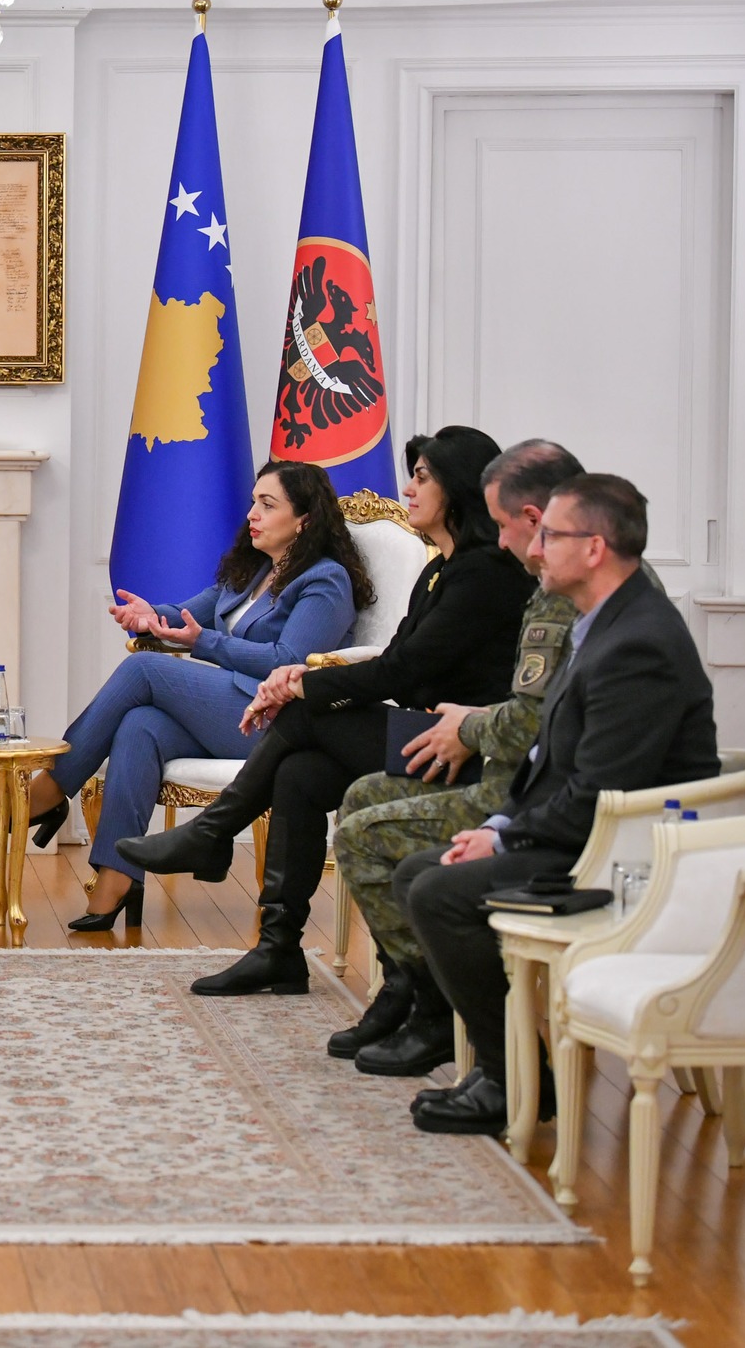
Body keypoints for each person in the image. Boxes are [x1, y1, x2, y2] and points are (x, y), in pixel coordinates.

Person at [118, 426, 538, 997]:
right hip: (424, 730)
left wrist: (303, 685)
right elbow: (396, 661)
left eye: (421, 478)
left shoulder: (484, 572)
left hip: (467, 747)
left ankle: (214, 832)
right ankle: (277, 950)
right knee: (300, 773)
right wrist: (303, 680)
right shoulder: (440, 570)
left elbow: (399, 673)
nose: (408, 490)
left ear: (459, 487)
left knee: (307, 713)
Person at [402, 474, 719, 1135]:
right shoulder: (601, 621)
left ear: (594, 548)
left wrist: (503, 839)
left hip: (625, 859)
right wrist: (500, 824)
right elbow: (550, 762)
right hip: (587, 835)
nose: (534, 547)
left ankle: (513, 1079)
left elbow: (601, 795)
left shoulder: (637, 644)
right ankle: (508, 1063)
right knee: (417, 874)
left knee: (438, 893)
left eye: (550, 534)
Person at [0, 461, 368, 930]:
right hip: (232, 712)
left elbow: (289, 660)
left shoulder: (324, 580)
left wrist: (205, 643)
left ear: (304, 519)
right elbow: (186, 615)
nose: (252, 514)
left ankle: (50, 790)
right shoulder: (254, 570)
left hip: (279, 722)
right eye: (253, 502)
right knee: (140, 725)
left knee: (144, 669)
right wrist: (150, 616)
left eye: (267, 504)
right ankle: (117, 879)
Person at [326, 440, 589, 1077]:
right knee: (356, 793)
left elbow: (528, 722)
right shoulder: (546, 588)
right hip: (522, 779)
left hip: (530, 795)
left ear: (533, 519)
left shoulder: (555, 597)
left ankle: (433, 1008)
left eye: (501, 525)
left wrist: (468, 728)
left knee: (363, 831)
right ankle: (412, 993)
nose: (498, 541)